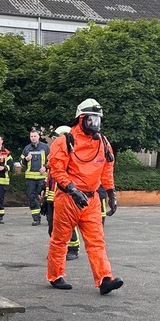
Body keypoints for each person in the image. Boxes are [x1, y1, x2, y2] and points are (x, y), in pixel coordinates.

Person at [46, 98, 121, 295]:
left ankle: (105, 279)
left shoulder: (103, 142)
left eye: (98, 120)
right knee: (60, 240)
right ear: (81, 119)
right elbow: (57, 169)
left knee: (97, 241)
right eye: (91, 120)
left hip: (91, 200)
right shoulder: (65, 141)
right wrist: (72, 190)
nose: (95, 124)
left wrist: (111, 192)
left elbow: (107, 169)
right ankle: (55, 275)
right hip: (68, 199)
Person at [42, 126, 81, 261]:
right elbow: (51, 175)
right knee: (53, 225)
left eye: (56, 138)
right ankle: (57, 250)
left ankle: (73, 248)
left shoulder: (72, 156)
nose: (54, 141)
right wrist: (45, 191)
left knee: (68, 224)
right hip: (52, 196)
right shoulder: (55, 154)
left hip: (65, 196)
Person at [20, 129, 50, 226]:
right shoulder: (27, 149)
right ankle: (36, 218)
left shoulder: (45, 147)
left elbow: (52, 161)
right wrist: (25, 159)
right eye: (31, 136)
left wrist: (45, 167)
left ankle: (50, 217)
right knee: (32, 198)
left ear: (39, 136)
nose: (33, 138)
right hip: (30, 179)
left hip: (42, 178)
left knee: (47, 198)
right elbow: (21, 163)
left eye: (35, 136)